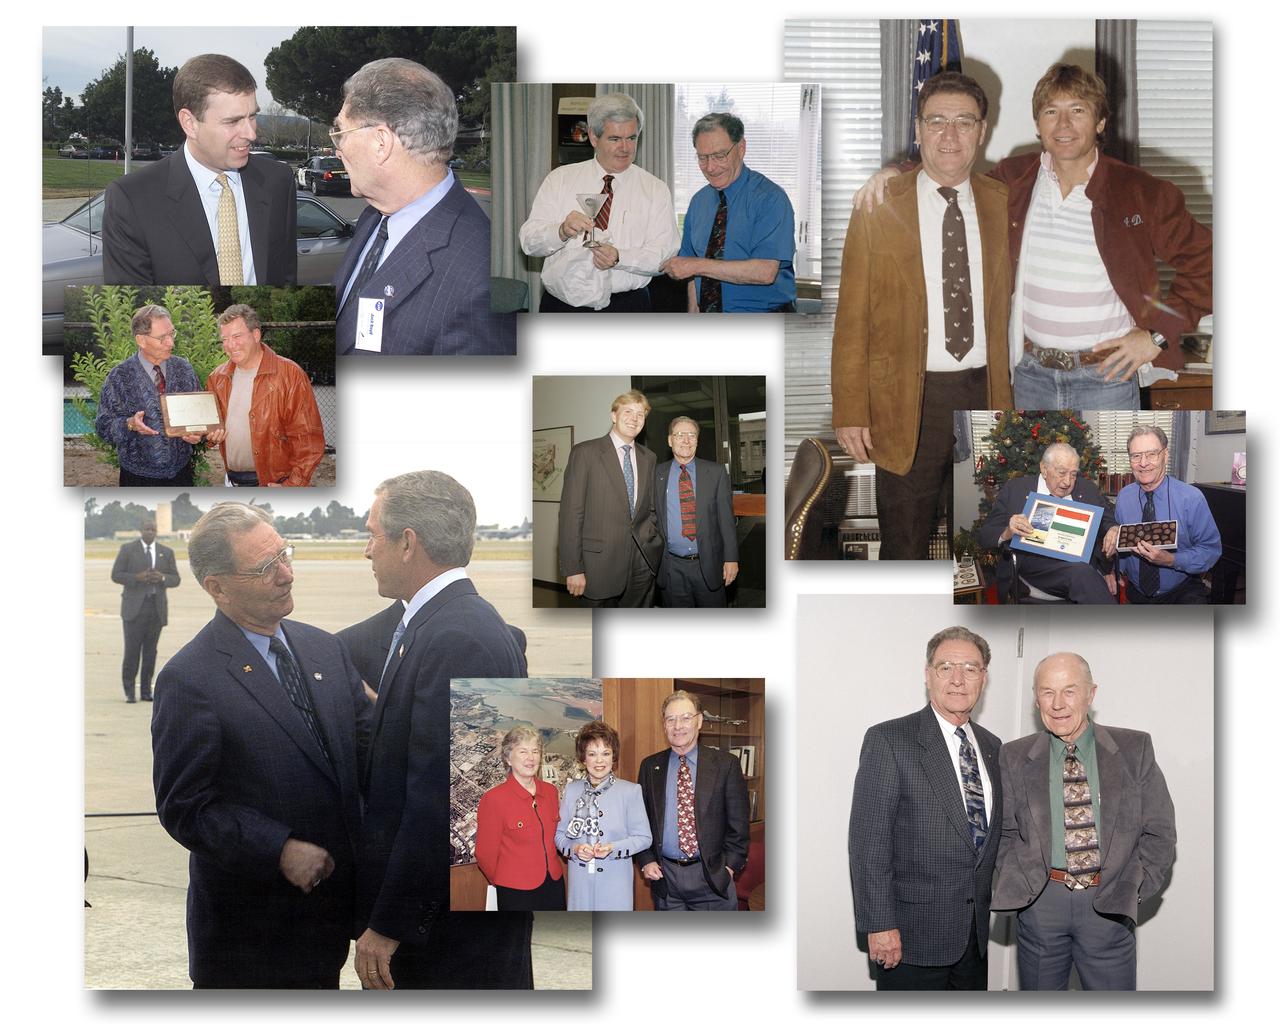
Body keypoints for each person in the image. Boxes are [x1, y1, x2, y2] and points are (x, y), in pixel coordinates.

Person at [856, 63, 1212, 410]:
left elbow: (1209, 265)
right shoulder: (1015, 179)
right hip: (1030, 377)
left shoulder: (1140, 191)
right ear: (1038, 124)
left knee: (1106, 473)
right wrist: (895, 172)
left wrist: (1157, 336)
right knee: (1036, 473)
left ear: (1101, 122)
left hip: (1107, 379)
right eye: (1051, 111)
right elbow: (951, 175)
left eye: (1078, 110)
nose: (1064, 124)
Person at [150, 504, 370, 988]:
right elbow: (185, 807)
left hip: (328, 920)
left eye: (284, 554)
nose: (286, 574)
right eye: (265, 567)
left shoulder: (324, 650)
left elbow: (368, 748)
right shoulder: (190, 679)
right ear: (218, 587)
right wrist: (279, 849)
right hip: (248, 937)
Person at [353, 470, 533, 990]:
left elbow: (447, 804)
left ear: (407, 543)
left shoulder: (459, 637)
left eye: (371, 534)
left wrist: (390, 924)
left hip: (451, 942)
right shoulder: (439, 625)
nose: (367, 550)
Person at [831, 72, 1012, 559]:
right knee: (904, 543)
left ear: (982, 130)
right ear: (918, 128)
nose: (949, 135)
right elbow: (851, 320)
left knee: (980, 541)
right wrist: (850, 410)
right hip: (907, 401)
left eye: (963, 122)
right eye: (936, 121)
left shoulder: (1006, 202)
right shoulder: (878, 204)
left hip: (987, 392)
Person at [993, 652, 1176, 990]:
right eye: (1047, 692)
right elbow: (1004, 832)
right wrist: (1023, 886)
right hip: (1040, 909)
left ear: (1091, 694)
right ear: (1036, 700)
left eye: (1070, 690)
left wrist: (1131, 889)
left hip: (1108, 906)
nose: (1058, 703)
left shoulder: (1134, 748)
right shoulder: (1014, 756)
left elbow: (1160, 830)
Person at [848, 626, 1002, 989]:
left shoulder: (994, 747)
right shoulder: (889, 740)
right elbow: (869, 844)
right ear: (928, 674)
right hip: (910, 940)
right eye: (946, 667)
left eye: (971, 668)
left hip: (974, 939)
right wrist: (880, 924)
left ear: (984, 678)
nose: (958, 679)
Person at [331, 58, 514, 356]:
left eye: (341, 133)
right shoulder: (374, 218)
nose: (338, 149)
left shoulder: (479, 281)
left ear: (381, 142)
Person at [102, 54, 296, 286]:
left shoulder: (278, 181)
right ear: (189, 123)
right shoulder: (132, 200)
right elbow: (133, 311)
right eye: (233, 121)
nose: (251, 133)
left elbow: (286, 280)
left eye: (252, 116)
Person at [519, 92, 679, 311]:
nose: (625, 148)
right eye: (614, 139)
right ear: (593, 137)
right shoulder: (560, 179)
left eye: (631, 138)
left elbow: (664, 255)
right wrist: (561, 231)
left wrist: (620, 257)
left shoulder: (656, 190)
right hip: (562, 306)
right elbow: (528, 242)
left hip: (627, 307)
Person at [659, 112, 796, 312]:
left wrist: (697, 266)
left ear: (741, 148)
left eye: (719, 156)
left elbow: (765, 272)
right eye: (702, 157)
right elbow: (690, 272)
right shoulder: (698, 201)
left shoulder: (770, 198)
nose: (710, 167)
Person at [635, 691, 748, 911]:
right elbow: (641, 819)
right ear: (664, 725)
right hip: (665, 879)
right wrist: (646, 859)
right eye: (670, 719)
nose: (678, 725)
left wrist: (729, 867)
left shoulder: (726, 765)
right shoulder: (650, 766)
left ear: (699, 721)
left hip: (712, 877)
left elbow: (739, 825)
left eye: (686, 717)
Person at [558, 390, 664, 607]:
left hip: (642, 566)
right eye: (628, 411)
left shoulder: (649, 458)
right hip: (598, 566)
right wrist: (573, 568)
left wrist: (652, 542)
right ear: (613, 416)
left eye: (640, 414)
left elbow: (650, 508)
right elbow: (571, 514)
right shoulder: (585, 453)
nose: (634, 418)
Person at [979, 441, 1117, 603]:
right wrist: (1007, 532)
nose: (1067, 482)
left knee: (1082, 572)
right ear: (1044, 469)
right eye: (1061, 472)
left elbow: (1106, 518)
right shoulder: (1015, 490)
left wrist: (1113, 528)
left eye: (1073, 474)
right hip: (1035, 565)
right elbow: (985, 535)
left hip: (1079, 560)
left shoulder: (1086, 488)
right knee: (1082, 573)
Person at [205, 303, 325, 487]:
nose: (230, 345)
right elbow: (210, 427)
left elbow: (308, 440)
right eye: (225, 339)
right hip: (231, 481)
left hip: (274, 483)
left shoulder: (290, 374)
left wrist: (293, 485)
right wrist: (205, 435)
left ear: (256, 335)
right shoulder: (217, 377)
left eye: (237, 336)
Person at [1102, 424, 1222, 604]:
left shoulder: (1191, 498)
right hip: (1136, 593)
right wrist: (1113, 570)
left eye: (1151, 454)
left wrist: (1171, 560)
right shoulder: (1124, 497)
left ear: (1165, 455)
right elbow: (1121, 543)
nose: (1143, 463)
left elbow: (1211, 550)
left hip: (1182, 591)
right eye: (1136, 456)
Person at [94, 304, 205, 486]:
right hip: (137, 478)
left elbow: (199, 415)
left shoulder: (184, 369)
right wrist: (129, 424)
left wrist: (198, 433)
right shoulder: (119, 377)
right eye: (163, 338)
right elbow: (103, 427)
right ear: (141, 340)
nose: (171, 343)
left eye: (172, 334)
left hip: (182, 474)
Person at [555, 721, 651, 911]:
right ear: (583, 759)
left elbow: (644, 838)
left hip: (616, 884)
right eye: (592, 754)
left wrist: (612, 848)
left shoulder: (630, 791)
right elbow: (560, 835)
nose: (599, 761)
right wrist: (575, 848)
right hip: (580, 886)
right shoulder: (572, 790)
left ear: (613, 757)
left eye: (605, 753)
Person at [475, 726, 566, 910]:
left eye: (535, 751)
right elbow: (485, 854)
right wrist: (502, 879)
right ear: (508, 758)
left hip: (554, 882)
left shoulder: (550, 792)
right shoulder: (493, 799)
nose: (531, 758)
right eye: (523, 751)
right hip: (515, 889)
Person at [654, 416, 739, 607]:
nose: (686, 440)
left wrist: (731, 558)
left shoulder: (716, 473)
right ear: (670, 440)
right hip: (671, 568)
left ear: (697, 440)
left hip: (709, 564)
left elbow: (726, 520)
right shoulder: (657, 474)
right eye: (680, 434)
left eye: (691, 435)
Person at [111, 519, 180, 703]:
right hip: (134, 610)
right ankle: (129, 691)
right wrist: (137, 577)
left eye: (153, 529)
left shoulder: (166, 552)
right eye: (147, 529)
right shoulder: (127, 549)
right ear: (141, 531)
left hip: (156, 610)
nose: (150, 532)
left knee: (151, 652)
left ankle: (146, 691)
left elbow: (176, 579)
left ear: (156, 532)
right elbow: (116, 575)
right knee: (132, 652)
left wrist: (162, 577)